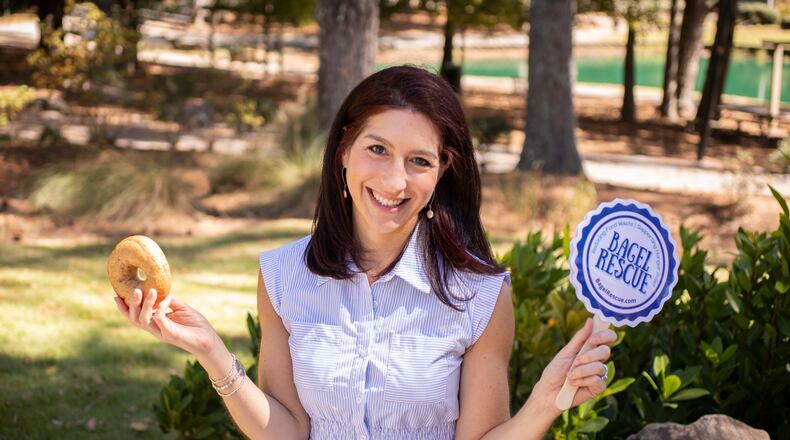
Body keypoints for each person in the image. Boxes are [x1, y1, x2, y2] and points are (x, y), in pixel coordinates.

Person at [114, 65, 617, 440]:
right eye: (377, 149)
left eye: (418, 160)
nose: (395, 181)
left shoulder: (480, 295)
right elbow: (288, 431)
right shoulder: (284, 275)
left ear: (442, 173)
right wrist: (211, 351)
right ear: (343, 152)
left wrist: (547, 403)